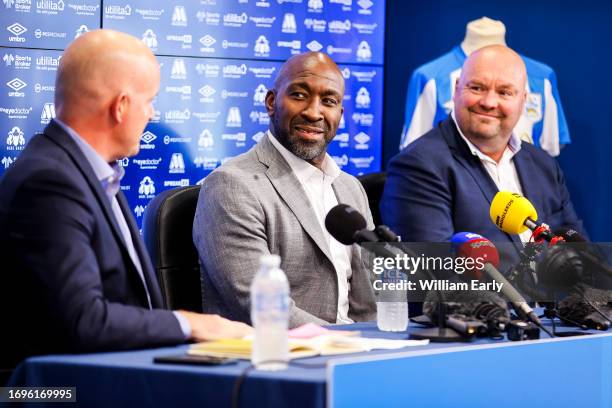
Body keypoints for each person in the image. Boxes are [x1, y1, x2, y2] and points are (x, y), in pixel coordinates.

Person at [0, 30, 250, 369]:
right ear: (121, 106)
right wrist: (193, 323)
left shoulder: (92, 172)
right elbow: (82, 321)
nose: (151, 115)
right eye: (148, 101)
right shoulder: (49, 182)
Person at [193, 52, 376, 328]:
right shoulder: (232, 185)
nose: (314, 112)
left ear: (340, 114)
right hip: (280, 358)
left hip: (354, 354)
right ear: (271, 102)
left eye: (328, 101)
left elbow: (368, 302)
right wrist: (346, 343)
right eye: (299, 95)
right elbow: (261, 305)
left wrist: (379, 346)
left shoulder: (350, 188)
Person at [381, 45, 585, 244]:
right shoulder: (418, 166)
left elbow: (580, 251)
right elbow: (434, 270)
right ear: (457, 89)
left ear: (523, 100)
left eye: (504, 92)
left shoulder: (544, 165)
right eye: (477, 88)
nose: (489, 102)